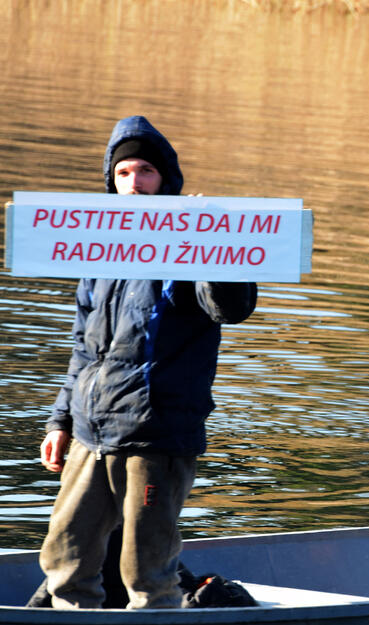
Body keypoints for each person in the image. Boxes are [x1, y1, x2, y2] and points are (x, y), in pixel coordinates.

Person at [37, 115, 258, 609]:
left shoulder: (198, 239)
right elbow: (82, 349)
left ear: (165, 180)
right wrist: (60, 420)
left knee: (147, 572)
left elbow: (231, 309)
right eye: (123, 174)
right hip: (90, 436)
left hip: (157, 437)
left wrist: (214, 245)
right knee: (65, 562)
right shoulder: (100, 250)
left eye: (145, 172)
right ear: (111, 183)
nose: (134, 184)